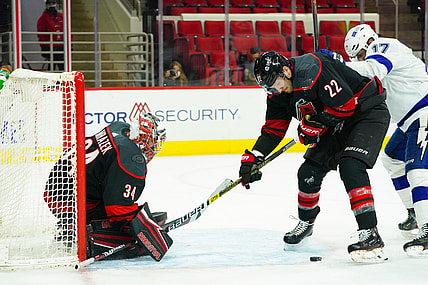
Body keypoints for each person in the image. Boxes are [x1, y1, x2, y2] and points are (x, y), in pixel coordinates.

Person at [238, 50, 390, 262]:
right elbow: (273, 129)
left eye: (274, 83)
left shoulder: (313, 69)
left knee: (351, 166)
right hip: (335, 120)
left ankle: (370, 233)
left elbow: (345, 105)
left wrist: (315, 124)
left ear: (285, 70)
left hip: (366, 111)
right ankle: (306, 223)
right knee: (308, 172)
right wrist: (255, 156)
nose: (273, 89)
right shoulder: (277, 93)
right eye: (268, 87)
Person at [344, 24, 428, 256]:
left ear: (368, 42)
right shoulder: (379, 54)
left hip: (425, 112)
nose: (360, 59)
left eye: (359, 54)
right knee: (392, 158)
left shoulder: (384, 45)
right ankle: (414, 211)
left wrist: (339, 65)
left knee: (418, 170)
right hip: (410, 121)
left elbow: (372, 69)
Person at [43, 112, 173, 261]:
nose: (155, 147)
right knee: (124, 226)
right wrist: (143, 228)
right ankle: (77, 230)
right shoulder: (131, 159)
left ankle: (72, 223)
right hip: (67, 202)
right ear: (143, 139)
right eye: (153, 142)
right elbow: (117, 209)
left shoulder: (119, 128)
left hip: (57, 186)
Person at [37, 0, 66, 71]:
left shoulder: (61, 16)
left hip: (60, 45)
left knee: (61, 66)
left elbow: (67, 28)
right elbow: (41, 32)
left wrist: (70, 42)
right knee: (52, 65)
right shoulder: (44, 18)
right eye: (50, 3)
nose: (52, 5)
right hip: (50, 46)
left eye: (53, 3)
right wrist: (43, 45)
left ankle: (63, 79)